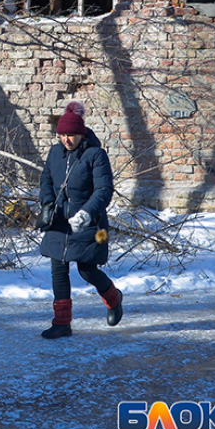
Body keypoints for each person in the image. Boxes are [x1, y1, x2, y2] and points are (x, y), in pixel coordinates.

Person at [38, 101, 122, 339]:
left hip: (88, 221)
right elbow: (45, 180)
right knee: (58, 269)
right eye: (62, 135)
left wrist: (85, 214)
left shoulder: (95, 155)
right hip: (58, 220)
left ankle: (114, 298)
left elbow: (104, 190)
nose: (66, 140)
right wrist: (46, 204)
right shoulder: (55, 153)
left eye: (71, 135)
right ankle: (61, 323)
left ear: (81, 133)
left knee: (86, 270)